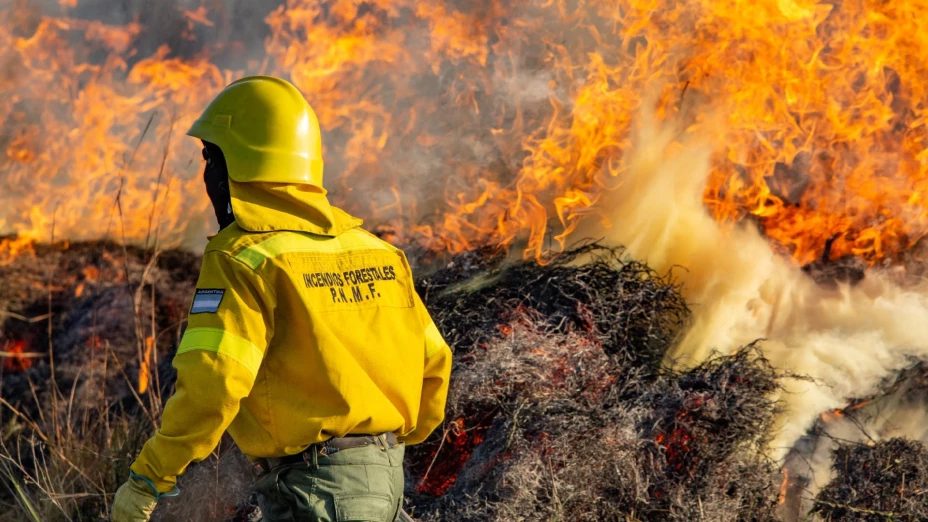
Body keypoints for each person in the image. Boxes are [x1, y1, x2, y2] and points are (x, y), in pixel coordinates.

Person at [111, 76, 453, 522]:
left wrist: (148, 479)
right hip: (385, 485)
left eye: (210, 159)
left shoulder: (244, 257)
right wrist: (376, 454)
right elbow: (434, 365)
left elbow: (214, 383)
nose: (207, 175)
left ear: (236, 165)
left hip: (316, 494)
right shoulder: (378, 252)